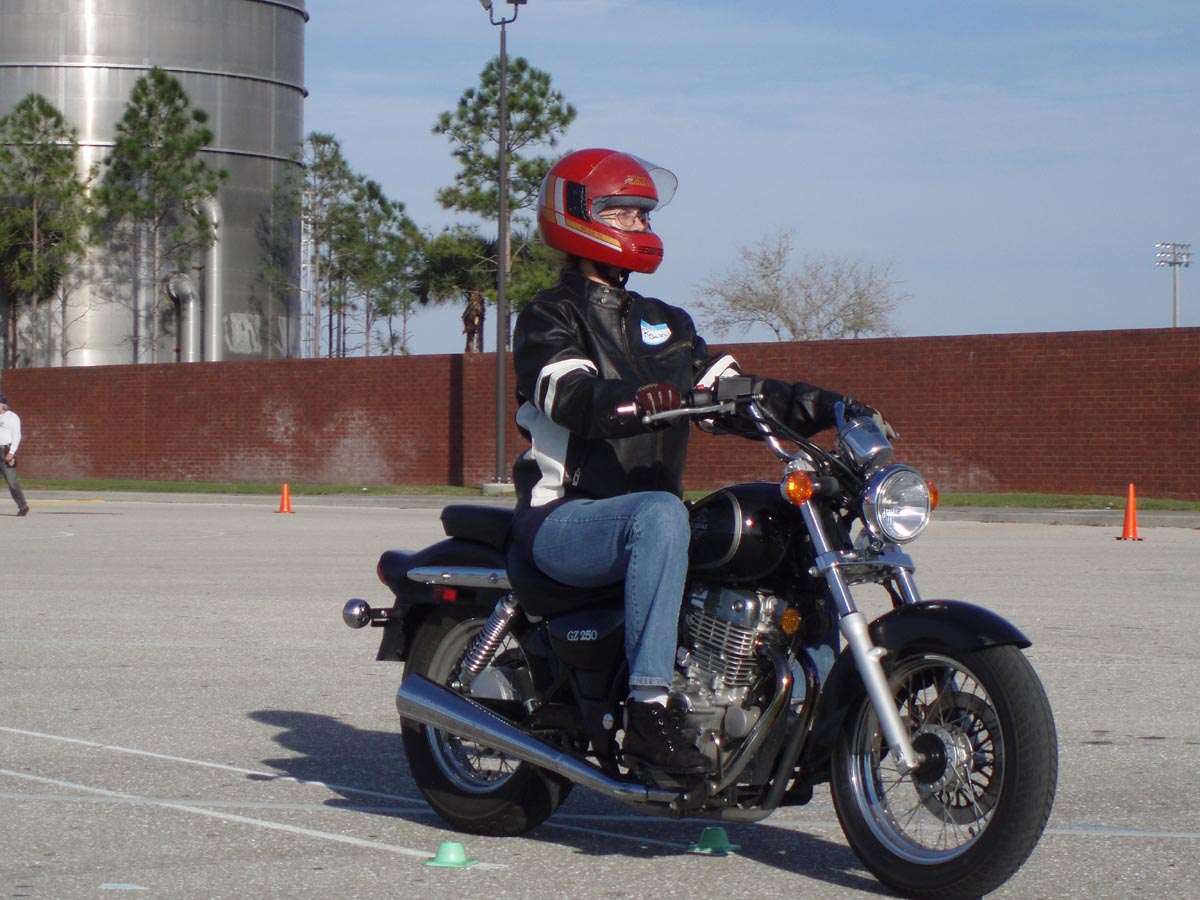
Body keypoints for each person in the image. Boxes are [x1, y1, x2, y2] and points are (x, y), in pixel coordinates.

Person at [510, 148, 888, 773]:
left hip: (644, 518)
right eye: (623, 212)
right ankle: (648, 711)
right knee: (662, 514)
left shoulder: (668, 324)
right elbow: (567, 393)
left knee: (778, 525)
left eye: (643, 213)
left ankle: (806, 712)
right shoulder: (550, 315)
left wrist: (826, 406)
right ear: (577, 215)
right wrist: (632, 399)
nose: (640, 224)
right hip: (564, 518)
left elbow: (737, 394)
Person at [0, 394, 30, 517]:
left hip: (5, 451)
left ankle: (23, 506)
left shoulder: (12, 417)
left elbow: (17, 435)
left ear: (2, 404)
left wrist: (12, 452)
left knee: (12, 481)